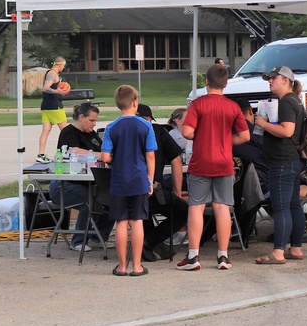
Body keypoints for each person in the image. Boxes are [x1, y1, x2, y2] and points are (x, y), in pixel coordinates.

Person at [178, 64, 250, 271]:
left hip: (201, 162)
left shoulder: (198, 104)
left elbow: (187, 132)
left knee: (196, 207)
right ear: (226, 84)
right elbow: (245, 136)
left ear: (206, 82)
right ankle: (223, 256)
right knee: (222, 208)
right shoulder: (232, 107)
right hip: (224, 162)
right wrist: (226, 140)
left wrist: (201, 136)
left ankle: (193, 256)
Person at [253, 66, 307, 265]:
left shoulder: (286, 102)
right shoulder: (294, 101)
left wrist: (263, 124)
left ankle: (278, 252)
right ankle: (296, 247)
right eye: (269, 78)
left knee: (281, 206)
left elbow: (286, 131)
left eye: (273, 78)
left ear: (286, 80)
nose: (270, 81)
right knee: (293, 205)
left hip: (283, 161)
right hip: (292, 160)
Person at [100, 85, 156, 277]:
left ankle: (122, 266)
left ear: (118, 104)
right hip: (139, 179)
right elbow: (150, 156)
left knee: (121, 222)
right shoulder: (146, 126)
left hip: (119, 181)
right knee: (137, 221)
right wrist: (150, 180)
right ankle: (137, 265)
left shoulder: (111, 127)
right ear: (135, 103)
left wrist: (117, 158)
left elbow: (105, 157)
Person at [51, 102, 113, 253]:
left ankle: (98, 236)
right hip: (64, 185)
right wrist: (104, 156)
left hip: (88, 182)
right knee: (89, 200)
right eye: (91, 120)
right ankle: (78, 240)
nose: (94, 123)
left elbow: (102, 150)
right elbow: (76, 151)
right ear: (81, 117)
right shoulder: (68, 132)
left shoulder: (92, 134)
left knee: (113, 198)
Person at [136, 104, 186, 263]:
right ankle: (149, 242)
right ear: (149, 119)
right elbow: (177, 160)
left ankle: (146, 244)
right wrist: (177, 193)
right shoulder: (157, 131)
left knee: (142, 211)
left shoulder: (119, 129)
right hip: (152, 190)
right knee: (184, 212)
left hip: (124, 194)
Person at [37, 57, 69, 164]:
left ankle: (40, 155)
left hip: (46, 106)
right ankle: (67, 153)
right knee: (66, 131)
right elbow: (46, 88)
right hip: (55, 106)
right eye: (63, 65)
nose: (64, 67)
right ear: (60, 64)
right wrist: (57, 91)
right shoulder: (53, 74)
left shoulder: (50, 73)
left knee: (46, 131)